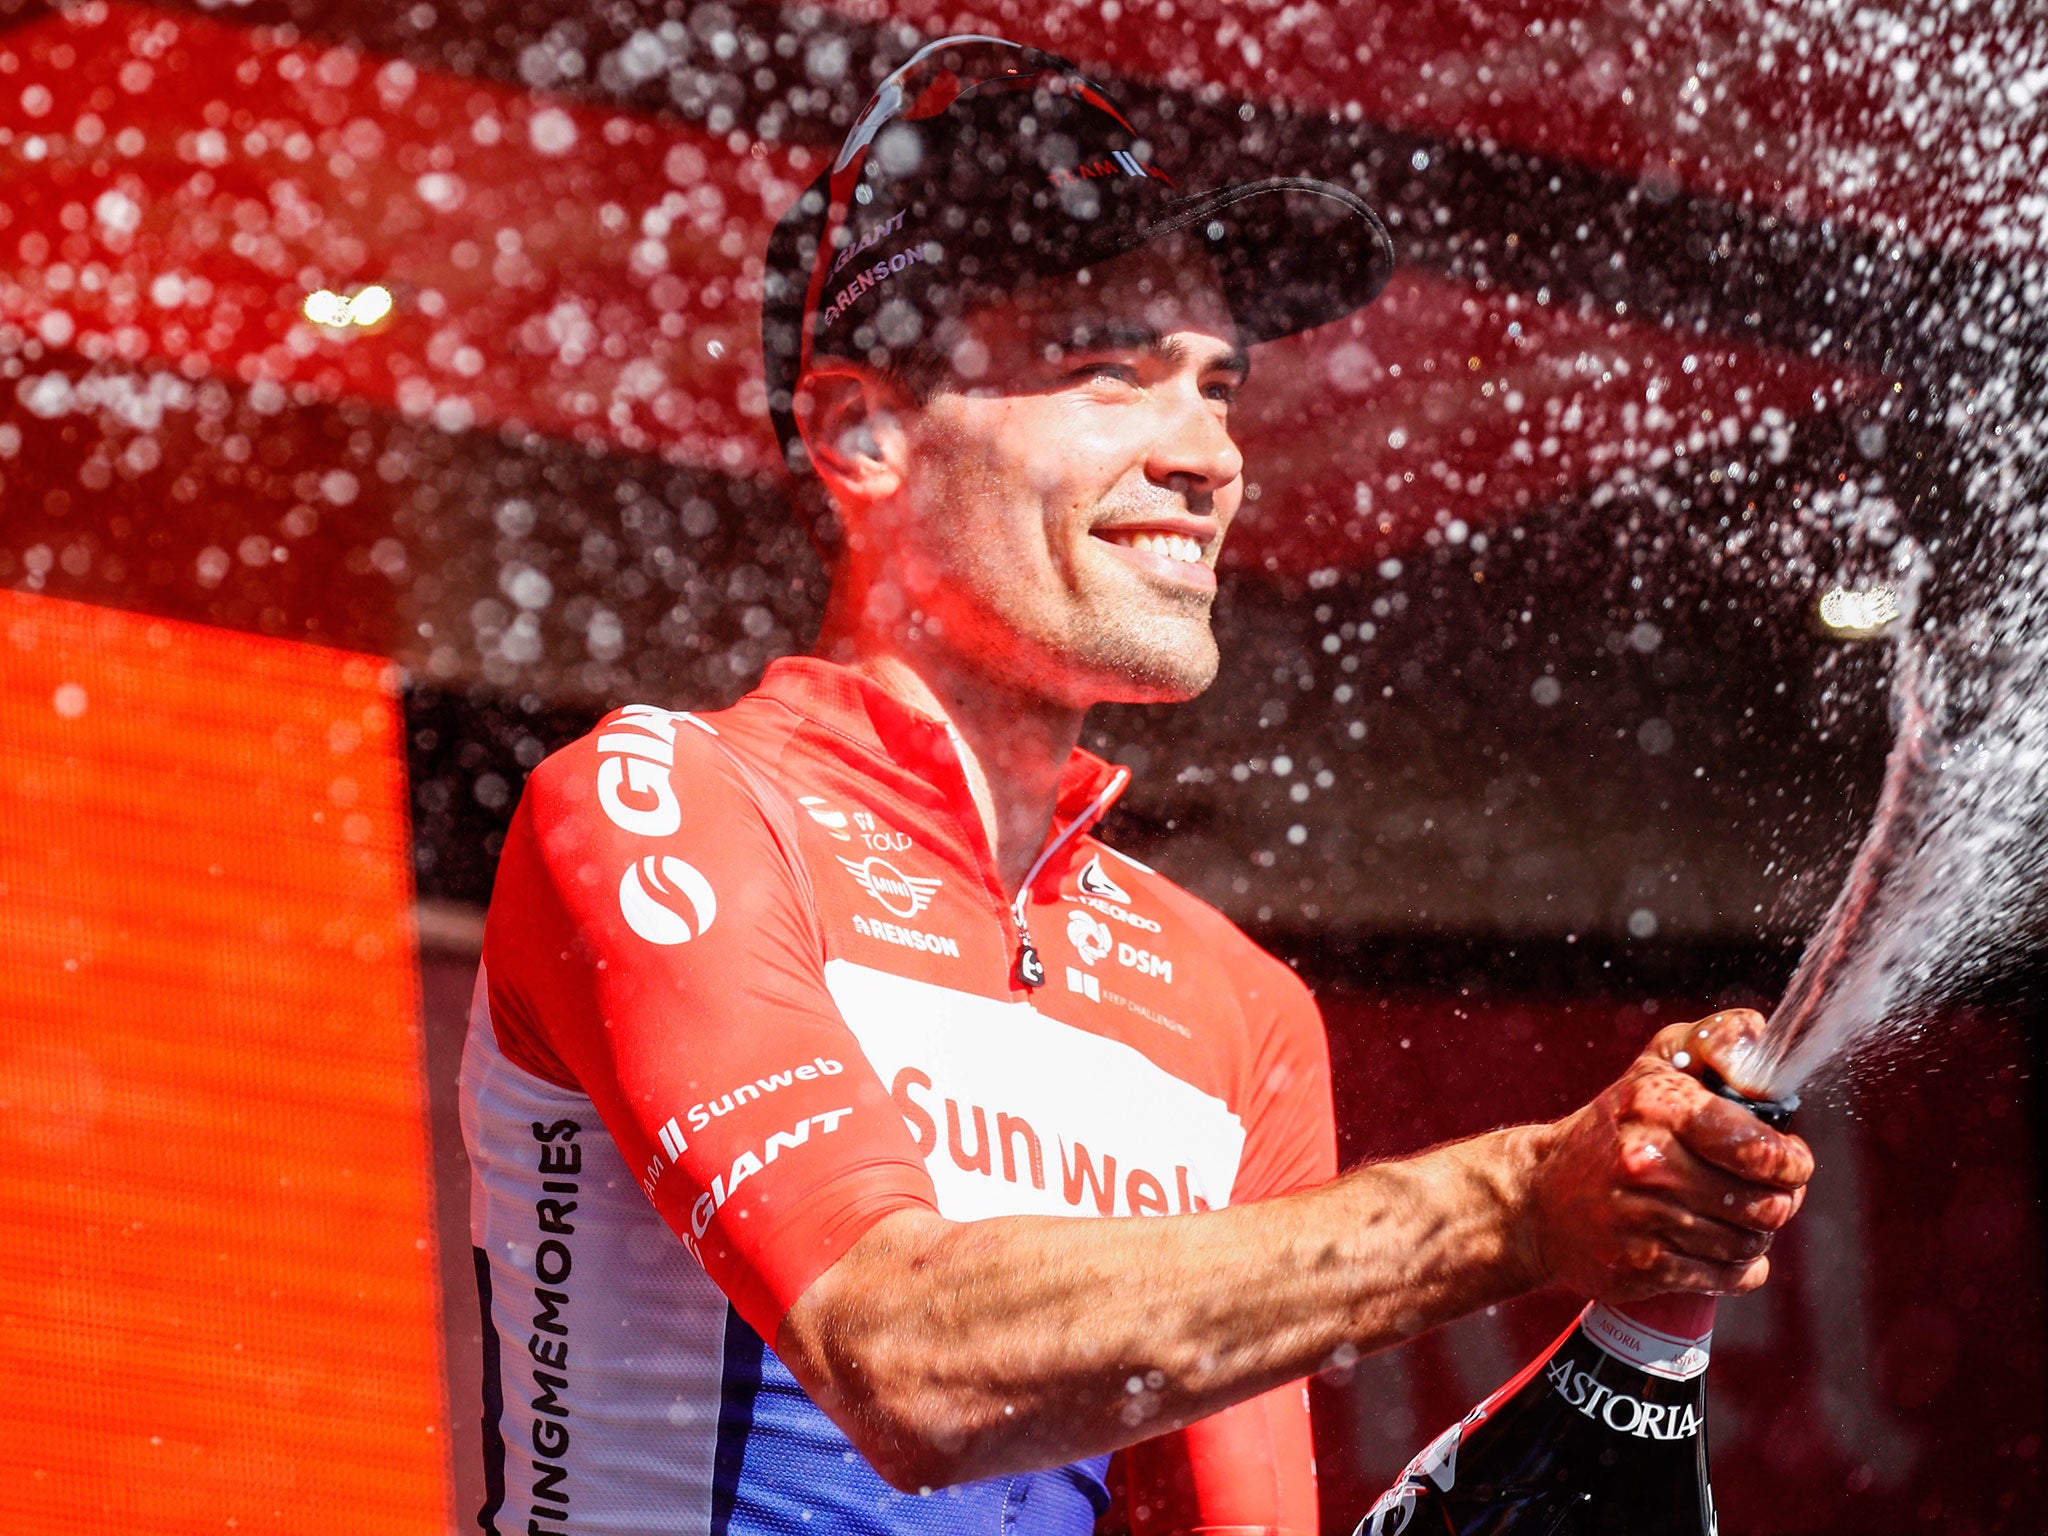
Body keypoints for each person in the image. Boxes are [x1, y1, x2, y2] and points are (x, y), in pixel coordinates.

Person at [461, 37, 1814, 1536]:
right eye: (1108, 370)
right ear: (864, 434)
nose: (1208, 457)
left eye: (1217, 388)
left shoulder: (1237, 1006)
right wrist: (1523, 1201)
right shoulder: (666, 803)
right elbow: (893, 1357)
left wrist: (1640, 1317)